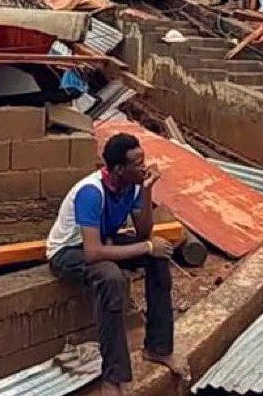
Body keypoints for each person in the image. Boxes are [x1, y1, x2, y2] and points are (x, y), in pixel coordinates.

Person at [46, 133, 183, 395]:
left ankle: (158, 348)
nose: (144, 167)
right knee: (110, 277)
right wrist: (146, 246)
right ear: (119, 168)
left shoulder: (131, 186)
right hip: (68, 252)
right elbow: (94, 253)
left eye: (144, 160)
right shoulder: (91, 192)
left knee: (158, 257)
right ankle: (114, 377)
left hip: (101, 242)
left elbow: (144, 232)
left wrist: (146, 190)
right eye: (138, 163)